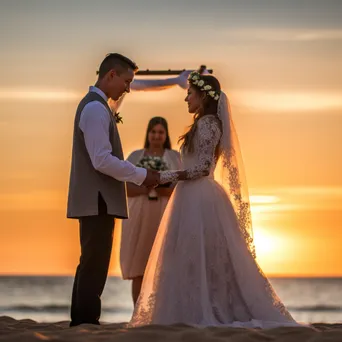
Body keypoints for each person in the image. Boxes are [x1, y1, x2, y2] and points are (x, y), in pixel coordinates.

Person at [129, 71, 300, 328]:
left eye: (189, 93)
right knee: (184, 256)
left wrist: (162, 175)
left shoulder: (209, 124)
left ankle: (207, 309)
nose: (186, 98)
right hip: (188, 195)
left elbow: (202, 167)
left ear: (202, 96)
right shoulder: (201, 123)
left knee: (202, 256)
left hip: (200, 197)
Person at [67, 53, 159, 326]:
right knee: (95, 263)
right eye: (127, 81)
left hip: (97, 199)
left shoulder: (98, 106)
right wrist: (142, 175)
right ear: (111, 75)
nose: (128, 88)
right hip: (98, 199)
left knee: (91, 261)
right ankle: (85, 322)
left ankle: (81, 320)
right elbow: (101, 159)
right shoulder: (95, 109)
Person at [120, 117, 181, 305]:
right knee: (139, 266)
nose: (156, 136)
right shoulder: (135, 156)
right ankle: (137, 311)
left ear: (166, 135)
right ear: (148, 133)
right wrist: (146, 187)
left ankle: (160, 310)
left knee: (163, 266)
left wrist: (163, 190)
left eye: (160, 132)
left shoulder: (174, 157)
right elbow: (124, 189)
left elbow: (182, 189)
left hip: (163, 213)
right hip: (138, 213)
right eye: (153, 132)